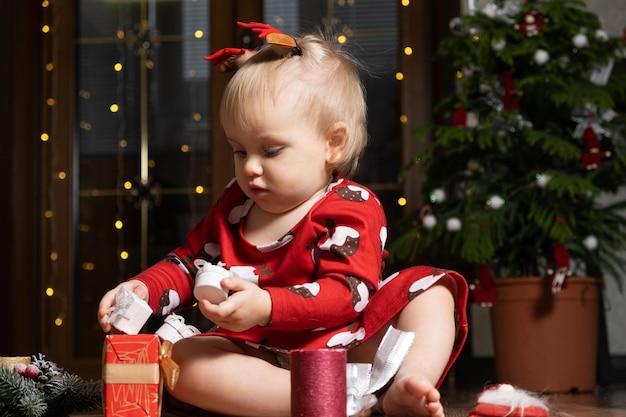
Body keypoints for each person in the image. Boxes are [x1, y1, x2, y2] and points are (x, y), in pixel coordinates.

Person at [98, 22, 468, 417]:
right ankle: (320, 401)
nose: (251, 168)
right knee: (182, 362)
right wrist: (144, 288)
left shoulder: (351, 206)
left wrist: (267, 305)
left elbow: (349, 293)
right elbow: (190, 263)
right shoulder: (234, 205)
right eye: (240, 151)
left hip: (348, 346)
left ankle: (408, 385)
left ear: (333, 143)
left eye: (270, 151)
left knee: (434, 291)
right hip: (257, 357)